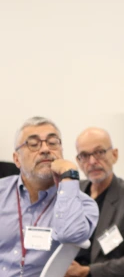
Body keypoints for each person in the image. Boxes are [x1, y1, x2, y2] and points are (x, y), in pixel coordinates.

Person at [0, 116, 99, 277]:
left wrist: (69, 175)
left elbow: (70, 235)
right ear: (17, 159)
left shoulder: (84, 205)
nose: (45, 149)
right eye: (33, 144)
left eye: (53, 143)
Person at [65, 127, 124, 277]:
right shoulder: (73, 192)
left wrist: (87, 271)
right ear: (78, 162)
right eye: (85, 155)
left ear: (114, 155)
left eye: (99, 152)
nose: (92, 161)